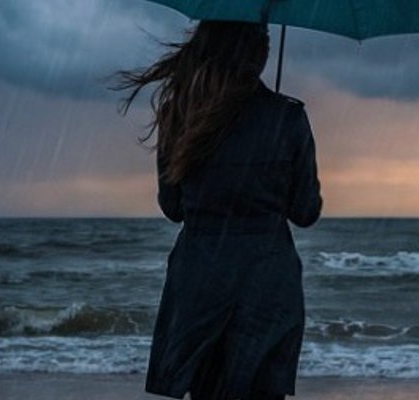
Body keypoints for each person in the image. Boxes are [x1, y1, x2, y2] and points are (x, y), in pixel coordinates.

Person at [113, 19, 323, 400]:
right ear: (258, 55)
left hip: (200, 280)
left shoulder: (181, 115)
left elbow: (173, 206)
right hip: (267, 283)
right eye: (264, 43)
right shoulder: (288, 117)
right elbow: (306, 210)